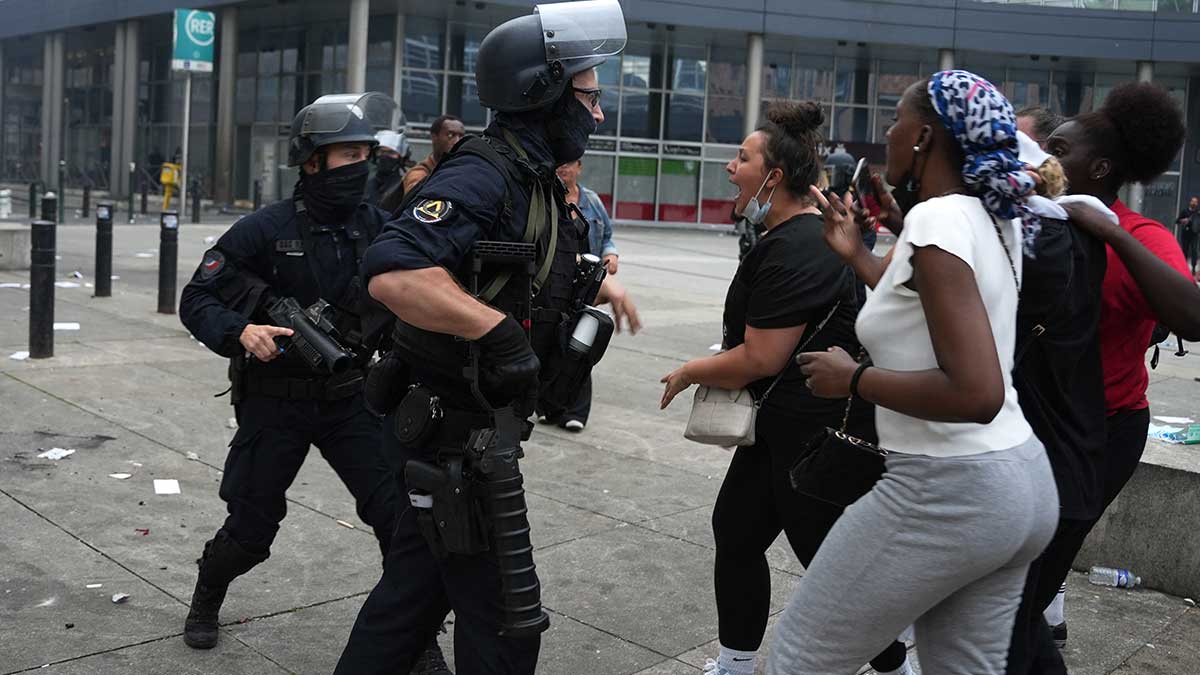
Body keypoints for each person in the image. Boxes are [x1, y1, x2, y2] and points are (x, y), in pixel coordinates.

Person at [334, 2, 638, 673]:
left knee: (409, 602)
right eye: (589, 96)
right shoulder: (486, 172)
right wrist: (496, 332)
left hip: (469, 435)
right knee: (506, 623)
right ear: (546, 92)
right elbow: (392, 270)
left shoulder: (533, 181)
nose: (598, 114)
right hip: (451, 439)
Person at [773, 71, 1058, 674]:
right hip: (1019, 485)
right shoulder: (989, 215)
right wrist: (858, 256)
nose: (888, 134)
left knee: (798, 660)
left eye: (897, 121)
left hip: (948, 487)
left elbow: (977, 391)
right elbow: (927, 317)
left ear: (925, 136)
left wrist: (853, 379)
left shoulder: (938, 222)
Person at [658, 102, 912, 675]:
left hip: (808, 428)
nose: (730, 167)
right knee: (738, 532)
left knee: (825, 558)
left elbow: (763, 356)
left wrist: (691, 371)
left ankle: (896, 666)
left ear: (773, 176)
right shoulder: (783, 235)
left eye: (742, 158)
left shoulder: (799, 244)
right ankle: (736, 662)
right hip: (780, 424)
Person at [176, 93, 431, 660]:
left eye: (366, 154)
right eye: (346, 155)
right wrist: (242, 333)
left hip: (352, 399)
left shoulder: (381, 229)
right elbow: (197, 297)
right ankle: (208, 589)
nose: (359, 168)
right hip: (275, 400)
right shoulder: (264, 229)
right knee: (251, 529)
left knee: (399, 523)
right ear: (311, 161)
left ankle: (414, 638)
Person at [1032, 81, 1200, 672]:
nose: (1044, 158)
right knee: (1009, 598)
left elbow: (1194, 316)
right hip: (1034, 428)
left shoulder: (1139, 236)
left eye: (1058, 148)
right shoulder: (1034, 220)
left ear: (1099, 168)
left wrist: (1108, 233)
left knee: (1016, 598)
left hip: (1103, 433)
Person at [1003, 132, 1112, 675]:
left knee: (1008, 624)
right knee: (1016, 622)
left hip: (1045, 467)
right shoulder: (1079, 233)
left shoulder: (1042, 242)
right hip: (1071, 460)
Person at [542, 157, 619, 432]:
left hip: (587, 287)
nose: (563, 167)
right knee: (552, 343)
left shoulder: (592, 201)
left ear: (579, 168)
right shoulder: (547, 196)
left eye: (570, 163)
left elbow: (607, 235)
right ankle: (548, 406)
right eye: (560, 163)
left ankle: (575, 411)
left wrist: (611, 254)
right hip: (553, 286)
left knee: (581, 345)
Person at [402, 114, 465, 195]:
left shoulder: (463, 170)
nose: (457, 141)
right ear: (434, 137)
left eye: (461, 136)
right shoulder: (419, 174)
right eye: (450, 135)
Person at [365, 126, 409, 208]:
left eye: (390, 152)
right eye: (381, 151)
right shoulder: (366, 183)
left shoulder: (405, 185)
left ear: (400, 157)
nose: (384, 156)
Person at [1175, 196, 1199, 276]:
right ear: (1190, 202)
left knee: (1194, 251)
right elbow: (1177, 221)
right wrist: (1183, 220)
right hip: (1185, 235)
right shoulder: (1184, 211)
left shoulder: (1198, 213)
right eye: (1193, 201)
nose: (1194, 203)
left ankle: (1193, 269)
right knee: (1184, 251)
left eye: (1196, 202)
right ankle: (1183, 268)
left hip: (1194, 235)